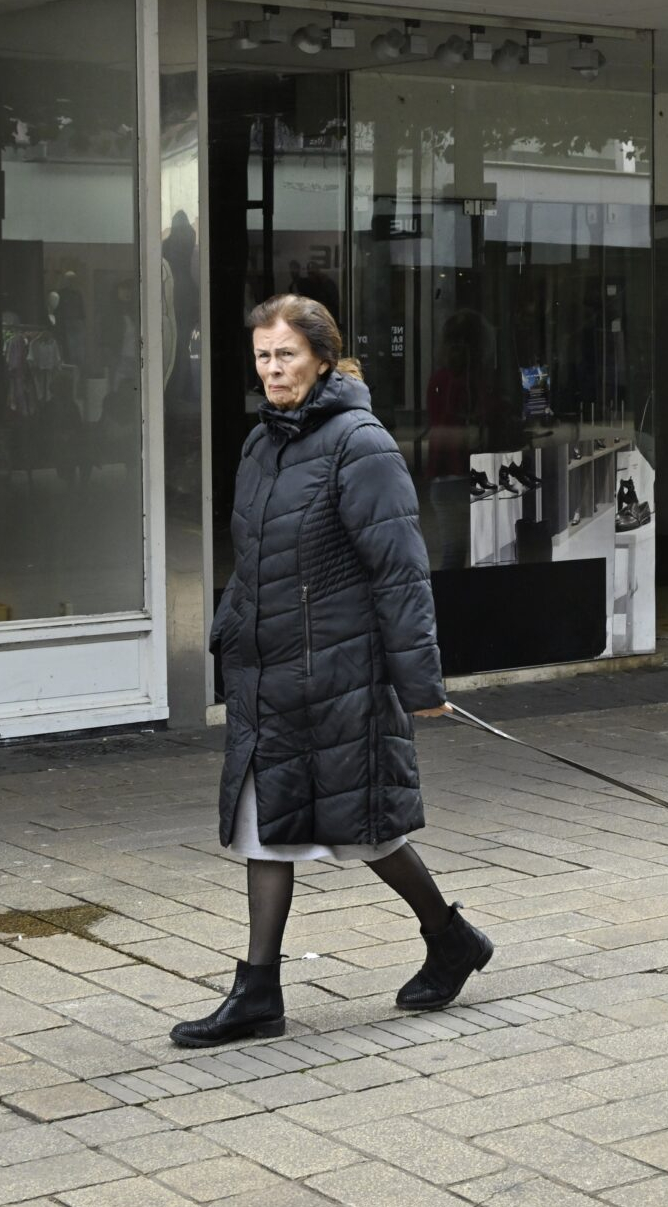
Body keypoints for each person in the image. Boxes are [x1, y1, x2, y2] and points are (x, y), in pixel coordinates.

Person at [177, 294, 494, 1048]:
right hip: (269, 672)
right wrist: (229, 634)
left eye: (285, 355)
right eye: (261, 356)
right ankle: (258, 992)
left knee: (364, 829)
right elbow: (252, 560)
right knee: (264, 824)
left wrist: (420, 685)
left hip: (337, 672)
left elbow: (400, 572)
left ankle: (449, 937)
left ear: (322, 354)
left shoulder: (362, 443)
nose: (272, 369)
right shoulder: (262, 443)